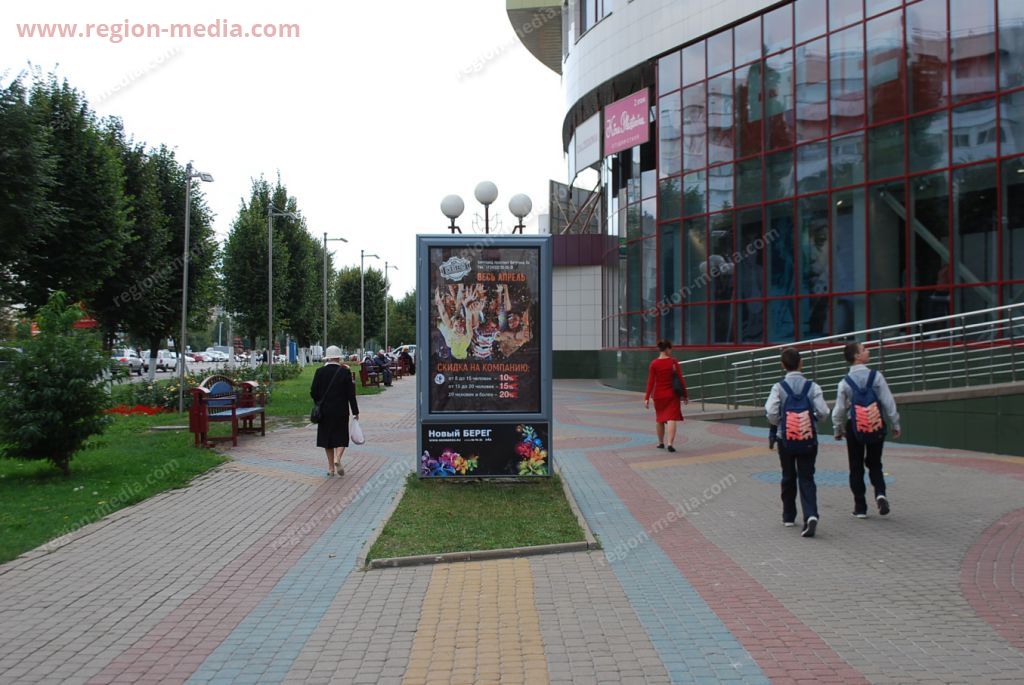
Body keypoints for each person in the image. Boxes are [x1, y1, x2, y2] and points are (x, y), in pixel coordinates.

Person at [764, 348, 830, 538]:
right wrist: (812, 419)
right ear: (801, 363)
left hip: (785, 439)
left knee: (788, 476)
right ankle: (811, 514)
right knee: (807, 477)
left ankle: (788, 516)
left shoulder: (778, 387)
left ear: (782, 365)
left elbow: (771, 412)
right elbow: (824, 412)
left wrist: (780, 424)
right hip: (808, 439)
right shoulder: (813, 387)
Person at [832, 341, 901, 518]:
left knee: (856, 466)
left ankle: (860, 507)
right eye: (864, 349)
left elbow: (839, 409)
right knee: (875, 463)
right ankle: (880, 494)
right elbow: (888, 401)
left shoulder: (844, 383)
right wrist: (895, 423)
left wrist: (838, 428)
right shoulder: (876, 377)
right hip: (876, 423)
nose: (868, 351)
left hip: (854, 426)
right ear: (857, 356)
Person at [310, 345, 359, 477]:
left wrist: (319, 403)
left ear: (327, 358)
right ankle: (338, 458)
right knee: (342, 436)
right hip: (341, 410)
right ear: (338, 358)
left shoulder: (319, 372)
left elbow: (313, 392)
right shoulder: (345, 372)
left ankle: (331, 468)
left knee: (327, 439)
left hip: (325, 411)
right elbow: (351, 394)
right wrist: (355, 411)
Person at [643, 340, 688, 452]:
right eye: (671, 349)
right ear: (667, 349)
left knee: (660, 418)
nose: (671, 351)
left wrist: (646, 397)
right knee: (671, 418)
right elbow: (680, 378)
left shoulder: (654, 363)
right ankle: (670, 444)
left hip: (658, 395)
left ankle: (660, 443)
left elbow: (650, 382)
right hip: (672, 395)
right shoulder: (673, 362)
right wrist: (685, 395)